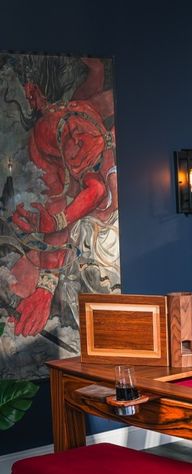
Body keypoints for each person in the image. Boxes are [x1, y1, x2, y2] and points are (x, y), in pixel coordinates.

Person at [9, 58, 118, 337]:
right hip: (104, 225)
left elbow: (88, 92)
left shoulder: (73, 107)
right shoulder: (49, 151)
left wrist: (97, 70)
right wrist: (45, 288)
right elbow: (95, 191)